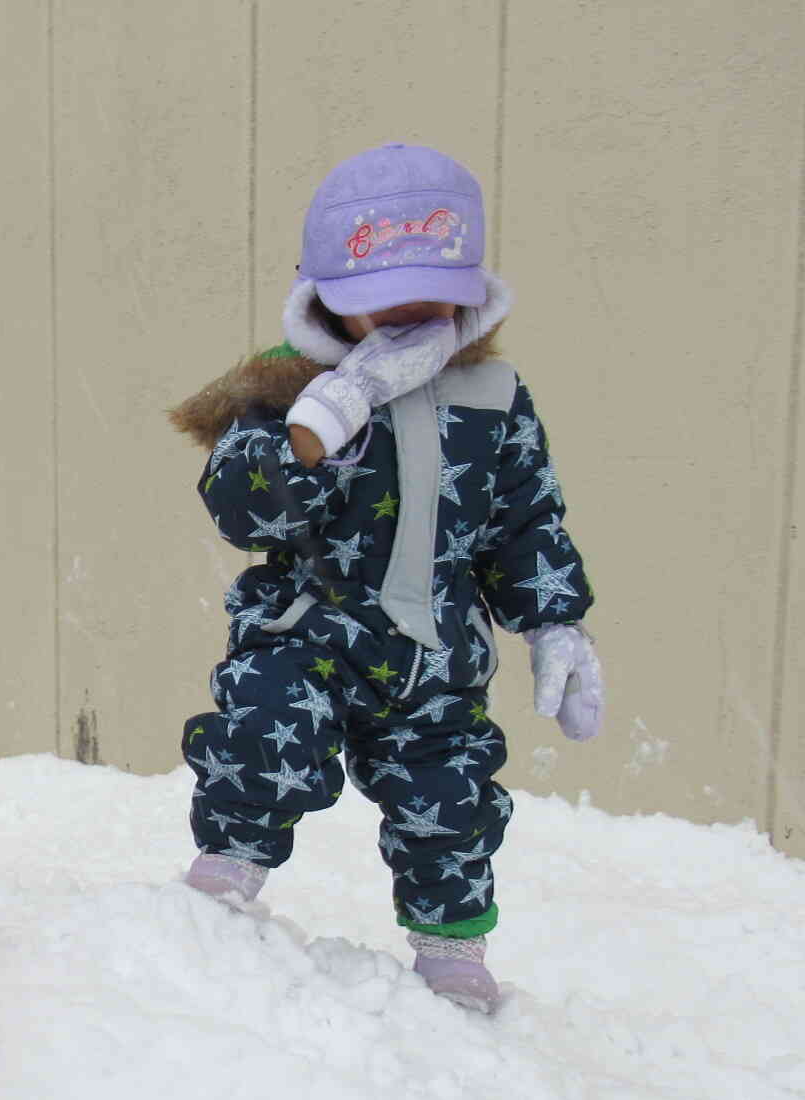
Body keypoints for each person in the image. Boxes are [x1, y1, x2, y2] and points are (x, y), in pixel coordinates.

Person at [167, 143, 604, 1009]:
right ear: (328, 300)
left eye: (427, 302)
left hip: (435, 651)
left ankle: (453, 951)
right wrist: (330, 416)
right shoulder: (283, 390)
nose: (406, 322)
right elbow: (242, 510)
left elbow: (524, 519)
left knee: (452, 795)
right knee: (265, 731)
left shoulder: (492, 399)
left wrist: (555, 623)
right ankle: (223, 880)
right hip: (310, 631)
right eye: (378, 309)